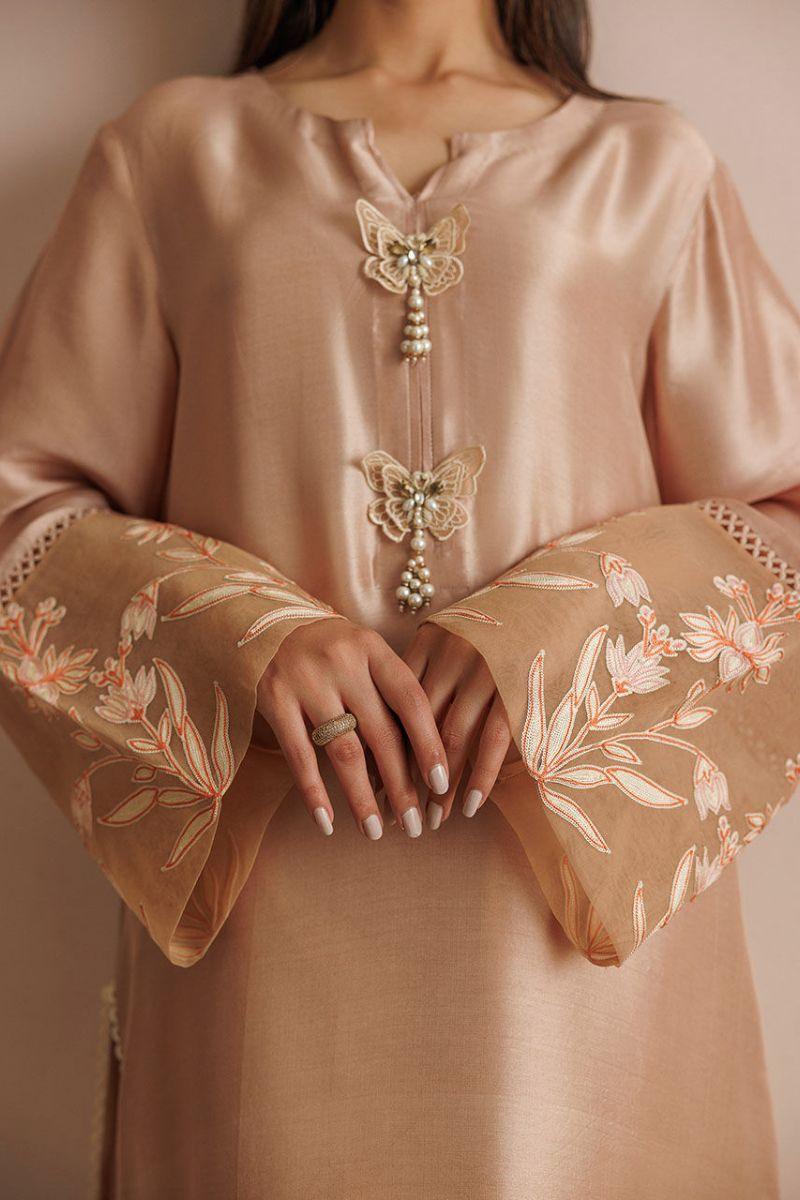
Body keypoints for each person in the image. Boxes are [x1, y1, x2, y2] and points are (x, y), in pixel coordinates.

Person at [0, 1, 797, 1196]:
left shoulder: (646, 167)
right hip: (267, 900)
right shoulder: (175, 153)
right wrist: (245, 638)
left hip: (569, 934)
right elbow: (22, 515)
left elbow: (779, 519)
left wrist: (552, 638)